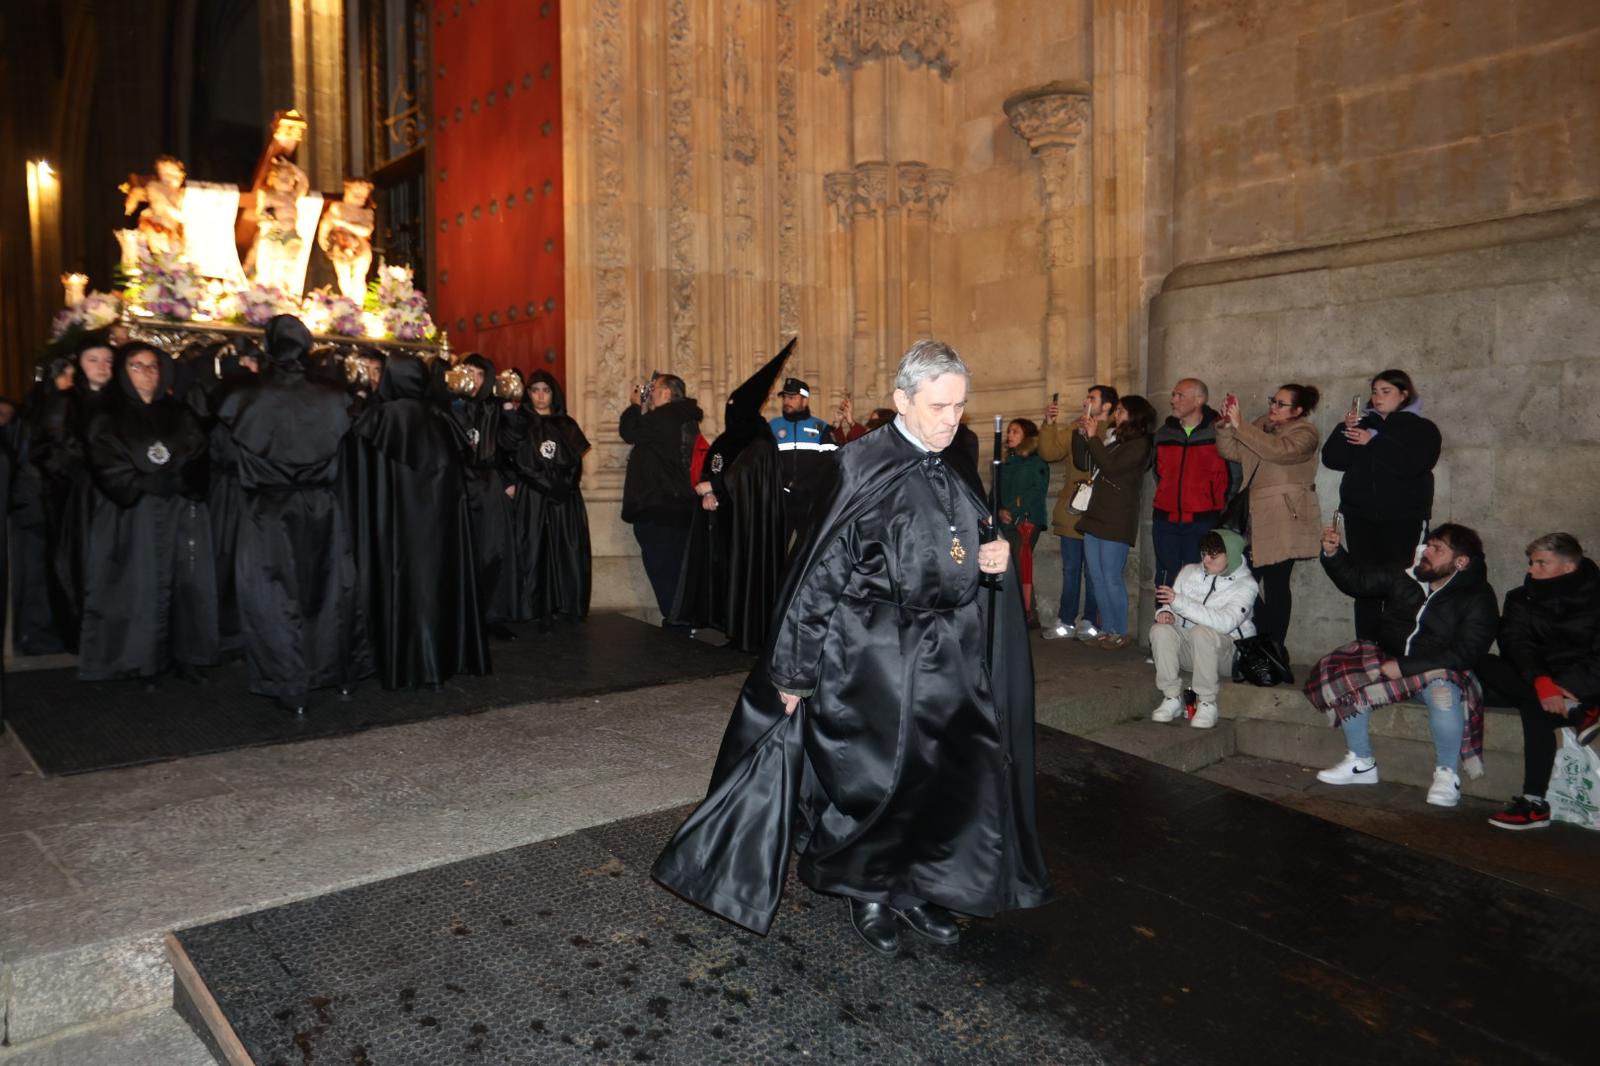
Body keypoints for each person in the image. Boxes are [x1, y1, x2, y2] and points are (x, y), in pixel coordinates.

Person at [653, 340, 1053, 954]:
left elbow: (963, 539)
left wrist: (992, 555)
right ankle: (870, 888)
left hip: (948, 651)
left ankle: (917, 884)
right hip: (873, 653)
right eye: (940, 406)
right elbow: (817, 576)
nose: (953, 419)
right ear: (902, 400)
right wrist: (791, 673)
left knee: (940, 772)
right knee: (875, 777)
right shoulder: (860, 465)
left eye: (960, 407)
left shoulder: (951, 459)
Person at [215, 316, 365, 714]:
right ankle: (337, 676)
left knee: (272, 596)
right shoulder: (335, 397)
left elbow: (226, 455)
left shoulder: (245, 397)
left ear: (267, 345)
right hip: (321, 505)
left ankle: (290, 685)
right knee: (329, 591)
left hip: (269, 508)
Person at [1305, 523, 1498, 807]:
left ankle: (1447, 775)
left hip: (1438, 670)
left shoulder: (1478, 596)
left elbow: (1467, 652)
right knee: (1343, 671)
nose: (1426, 553)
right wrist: (1333, 553)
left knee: (1442, 692)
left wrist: (1406, 668)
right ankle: (1361, 762)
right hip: (1390, 660)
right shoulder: (1406, 575)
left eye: (1437, 549)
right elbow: (1357, 582)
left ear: (1461, 561)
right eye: (1428, 545)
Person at [346, 353, 490, 689]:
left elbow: (362, 483)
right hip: (440, 535)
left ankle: (401, 662)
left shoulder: (377, 420)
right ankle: (442, 660)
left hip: (393, 535)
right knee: (439, 588)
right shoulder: (442, 419)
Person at [78, 343, 219, 685]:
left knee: (183, 581)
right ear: (124, 373)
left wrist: (180, 478)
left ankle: (181, 655)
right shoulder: (107, 415)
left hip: (177, 509)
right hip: (131, 515)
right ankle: (135, 659)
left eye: (153, 366)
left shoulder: (178, 411)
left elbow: (198, 450)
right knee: (133, 584)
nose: (147, 374)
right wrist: (143, 482)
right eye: (137, 367)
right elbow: (105, 461)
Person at [670, 343, 789, 651]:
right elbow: (714, 466)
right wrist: (710, 494)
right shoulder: (727, 438)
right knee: (724, 575)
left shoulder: (761, 441)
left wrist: (715, 488)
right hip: (724, 520)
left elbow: (745, 476)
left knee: (747, 577)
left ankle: (748, 635)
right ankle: (726, 625)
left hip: (750, 527)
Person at [1479, 533, 1600, 830]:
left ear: (1568, 566)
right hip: (1536, 680)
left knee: (1533, 707)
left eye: (1541, 563)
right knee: (1482, 661)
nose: (1531, 570)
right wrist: (1540, 680)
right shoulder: (1521, 597)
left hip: (1582, 685)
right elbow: (1515, 644)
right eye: (1532, 563)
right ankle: (1575, 712)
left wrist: (1560, 687)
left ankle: (1534, 803)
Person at [1320, 369, 1441, 640]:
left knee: (1404, 584)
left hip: (1404, 519)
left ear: (1404, 394)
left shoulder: (1422, 428)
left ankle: (1398, 649)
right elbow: (1332, 459)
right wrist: (1345, 428)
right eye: (1375, 392)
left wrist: (1374, 442)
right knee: (1364, 584)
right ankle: (1367, 648)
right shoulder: (1361, 425)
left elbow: (1416, 464)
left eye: (1386, 391)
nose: (1378, 397)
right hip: (1361, 518)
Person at [1215, 384, 1323, 675]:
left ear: (1298, 410)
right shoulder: (1262, 426)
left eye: (1281, 403)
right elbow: (1230, 451)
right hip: (1255, 517)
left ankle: (1274, 647)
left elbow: (1278, 451)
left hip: (1286, 518)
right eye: (1273, 400)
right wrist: (1227, 426)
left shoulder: (1305, 433)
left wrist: (1242, 426)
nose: (1273, 406)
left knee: (1276, 585)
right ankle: (1266, 644)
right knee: (1241, 581)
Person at [503, 369, 593, 625]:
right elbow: (519, 462)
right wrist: (545, 485)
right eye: (535, 390)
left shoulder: (566, 424)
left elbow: (575, 462)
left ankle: (567, 604)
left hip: (564, 497)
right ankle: (533, 605)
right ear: (528, 394)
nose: (541, 396)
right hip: (532, 497)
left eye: (546, 390)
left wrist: (562, 487)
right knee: (533, 549)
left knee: (567, 547)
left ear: (553, 394)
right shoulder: (520, 424)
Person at [185, 342, 257, 659]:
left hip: (235, 487)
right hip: (233, 489)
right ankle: (231, 631)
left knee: (232, 560)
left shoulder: (221, 393)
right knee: (230, 559)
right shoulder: (231, 394)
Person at [1071, 395, 1158, 649]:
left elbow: (1110, 468)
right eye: (1117, 410)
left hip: (1117, 518)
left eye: (1121, 411)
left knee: (1110, 576)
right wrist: (1082, 435)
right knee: (1096, 576)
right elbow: (1084, 461)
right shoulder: (1115, 442)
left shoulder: (1140, 445)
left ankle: (1119, 630)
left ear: (1135, 416)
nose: (1115, 415)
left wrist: (1094, 436)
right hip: (1096, 515)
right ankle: (1107, 628)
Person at [1149, 529, 1257, 729]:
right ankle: (1172, 697)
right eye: (1204, 553)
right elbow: (1172, 605)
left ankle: (1207, 702)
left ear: (1230, 556)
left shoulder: (1247, 585)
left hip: (1226, 654)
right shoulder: (1189, 571)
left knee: (1202, 631)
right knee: (1159, 630)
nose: (1206, 560)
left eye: (1213, 556)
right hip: (1193, 650)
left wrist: (1178, 602)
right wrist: (1166, 613)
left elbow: (1225, 623)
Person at [619, 373, 703, 621]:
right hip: (678, 507)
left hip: (659, 507)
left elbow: (630, 431)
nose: (649, 392)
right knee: (676, 570)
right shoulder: (683, 418)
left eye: (653, 388)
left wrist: (635, 405)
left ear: (667, 392)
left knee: (663, 569)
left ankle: (676, 621)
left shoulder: (664, 417)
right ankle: (682, 619)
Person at [448, 353, 518, 638]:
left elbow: (511, 444)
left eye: (479, 374)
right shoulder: (449, 406)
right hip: (456, 485)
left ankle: (490, 616)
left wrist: (512, 412)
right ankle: (458, 616)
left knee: (492, 552)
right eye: (468, 373)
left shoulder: (494, 407)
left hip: (488, 485)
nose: (473, 380)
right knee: (458, 552)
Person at [1037, 385, 1116, 639]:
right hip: (1073, 511)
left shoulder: (1116, 432)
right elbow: (1049, 452)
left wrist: (1093, 435)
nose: (1085, 401)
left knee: (1095, 572)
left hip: (1100, 511)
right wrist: (1049, 423)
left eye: (1091, 398)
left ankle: (1090, 621)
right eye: (1086, 397)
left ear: (1106, 406)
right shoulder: (1074, 428)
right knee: (1070, 569)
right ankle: (1066, 621)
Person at [1151, 378, 1233, 587]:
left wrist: (1217, 507)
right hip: (1165, 520)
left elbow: (1233, 476)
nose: (1173, 400)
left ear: (1199, 400)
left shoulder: (1218, 432)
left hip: (1201, 521)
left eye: (1180, 395)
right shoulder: (1164, 433)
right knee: (1165, 576)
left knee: (1197, 578)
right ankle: (1163, 619)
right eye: (1173, 395)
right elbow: (1158, 473)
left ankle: (1194, 621)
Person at [768, 375, 838, 546]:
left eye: (792, 398)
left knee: (808, 548)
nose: (787, 401)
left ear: (805, 401)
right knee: (776, 549)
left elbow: (831, 463)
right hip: (782, 500)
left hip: (810, 501)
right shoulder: (772, 427)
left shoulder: (821, 428)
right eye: (785, 397)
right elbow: (766, 463)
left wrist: (809, 487)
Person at [998, 417, 1049, 619]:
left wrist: (1012, 511)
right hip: (1005, 521)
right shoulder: (1003, 463)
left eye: (1015, 431)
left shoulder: (1036, 463)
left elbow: (1037, 490)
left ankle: (1026, 613)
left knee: (1020, 565)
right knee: (1014, 567)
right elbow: (997, 492)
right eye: (1009, 431)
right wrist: (999, 510)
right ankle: (1025, 611)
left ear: (1027, 437)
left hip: (1026, 521)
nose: (1009, 435)